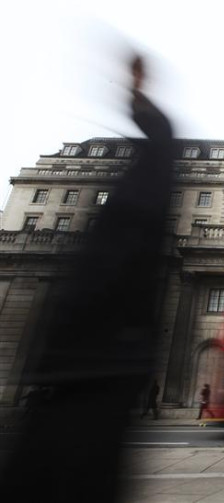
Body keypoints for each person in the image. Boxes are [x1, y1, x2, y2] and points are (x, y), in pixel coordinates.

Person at [0, 53, 175, 501]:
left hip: (89, 376)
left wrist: (138, 100)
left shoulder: (131, 222)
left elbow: (157, 158)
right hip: (85, 376)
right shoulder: (125, 222)